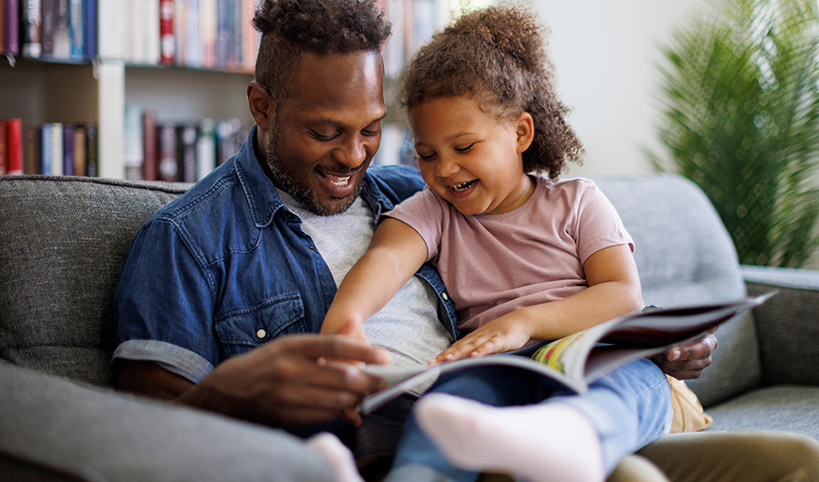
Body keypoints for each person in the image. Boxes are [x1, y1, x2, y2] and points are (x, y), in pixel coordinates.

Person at [110, 0, 816, 481]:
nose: (354, 157)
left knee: (793, 460)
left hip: (526, 412)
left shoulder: (409, 190)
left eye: (368, 130)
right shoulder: (188, 240)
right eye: (326, 132)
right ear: (262, 107)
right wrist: (235, 390)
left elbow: (578, 289)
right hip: (412, 441)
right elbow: (123, 435)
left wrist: (663, 341)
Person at [320, 5, 671, 481]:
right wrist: (347, 320)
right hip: (498, 369)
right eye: (426, 154)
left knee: (638, 384)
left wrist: (522, 323)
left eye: (464, 148)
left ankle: (575, 441)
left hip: (587, 358)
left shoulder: (579, 202)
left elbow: (621, 295)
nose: (444, 169)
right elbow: (386, 257)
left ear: (520, 132)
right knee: (443, 408)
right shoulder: (435, 210)